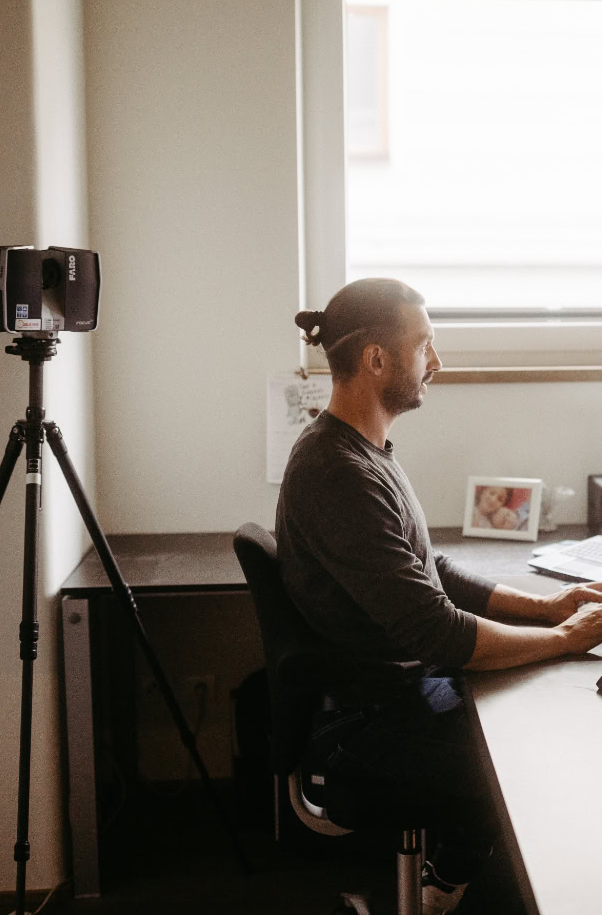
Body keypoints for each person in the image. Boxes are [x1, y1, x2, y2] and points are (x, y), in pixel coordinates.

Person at [275, 278, 602, 915]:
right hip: (373, 722)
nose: (438, 362)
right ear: (375, 359)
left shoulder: (361, 452)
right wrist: (567, 639)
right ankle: (442, 890)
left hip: (398, 694)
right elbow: (437, 633)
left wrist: (544, 610)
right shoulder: (338, 473)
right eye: (424, 345)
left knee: (547, 702)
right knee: (546, 757)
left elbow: (431, 569)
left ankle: (439, 887)